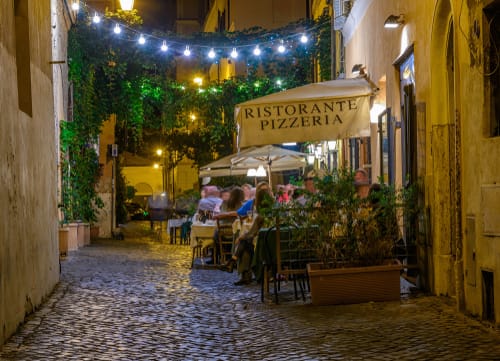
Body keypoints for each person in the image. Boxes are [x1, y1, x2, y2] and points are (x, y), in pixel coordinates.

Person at [219, 182, 272, 285]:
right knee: (245, 242)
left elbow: (254, 229)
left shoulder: (269, 208)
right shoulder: (253, 204)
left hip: (265, 238)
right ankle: (244, 273)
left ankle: (235, 264)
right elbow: (239, 213)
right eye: (262, 191)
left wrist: (243, 237)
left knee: (243, 241)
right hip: (259, 235)